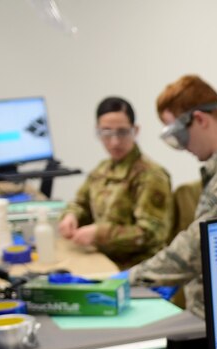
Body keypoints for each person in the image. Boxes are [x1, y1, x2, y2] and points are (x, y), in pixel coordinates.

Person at [123, 75, 217, 317]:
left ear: (200, 120)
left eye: (179, 136)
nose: (183, 147)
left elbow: (192, 251)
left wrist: (124, 280)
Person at [58, 96, 173, 269]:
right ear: (97, 131)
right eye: (106, 133)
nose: (114, 141)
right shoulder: (102, 170)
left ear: (136, 130)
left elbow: (151, 233)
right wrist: (71, 216)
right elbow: (81, 204)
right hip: (103, 261)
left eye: (122, 132)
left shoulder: (151, 175)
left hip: (139, 269)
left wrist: (99, 234)